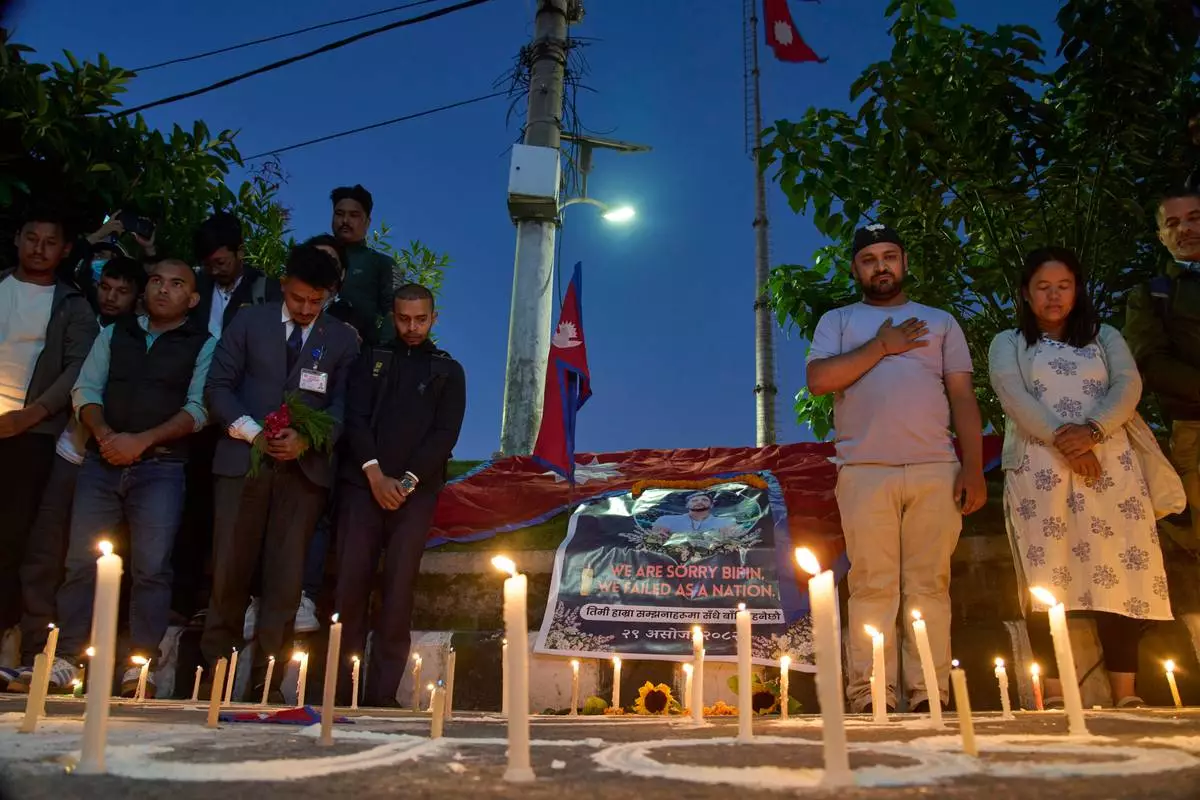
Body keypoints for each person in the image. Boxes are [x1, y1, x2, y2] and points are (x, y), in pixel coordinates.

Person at [806, 222, 985, 715]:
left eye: (890, 255)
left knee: (930, 584)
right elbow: (820, 380)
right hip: (864, 469)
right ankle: (871, 695)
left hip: (935, 468)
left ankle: (929, 690)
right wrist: (881, 347)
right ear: (855, 268)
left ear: (904, 263)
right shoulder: (838, 321)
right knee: (871, 584)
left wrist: (974, 468)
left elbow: (963, 396)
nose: (881, 265)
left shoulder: (940, 321)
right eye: (869, 258)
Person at [990, 247, 1171, 707]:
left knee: (1119, 570)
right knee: (1046, 576)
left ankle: (1126, 692)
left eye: (1063, 286)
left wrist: (1091, 433)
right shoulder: (1008, 343)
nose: (1053, 296)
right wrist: (1063, 440)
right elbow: (1012, 395)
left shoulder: (1104, 336)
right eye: (1043, 287)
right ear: (1026, 295)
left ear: (1077, 290)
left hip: (1109, 462)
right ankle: (1053, 693)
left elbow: (1127, 386)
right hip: (1040, 469)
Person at [47, 259, 213, 697]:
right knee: (80, 561)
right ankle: (66, 658)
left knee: (152, 569)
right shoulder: (117, 332)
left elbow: (199, 409)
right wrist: (105, 436)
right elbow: (85, 389)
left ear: (192, 300)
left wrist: (141, 441)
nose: (163, 290)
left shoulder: (202, 344)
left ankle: (139, 665)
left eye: (176, 285)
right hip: (101, 462)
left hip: (161, 466)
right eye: (157, 281)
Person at [202, 244, 359, 702]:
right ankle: (215, 683)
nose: (307, 309)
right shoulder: (249, 322)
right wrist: (254, 434)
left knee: (285, 582)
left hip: (302, 476)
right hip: (241, 467)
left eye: (317, 301)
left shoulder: (343, 339)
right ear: (283, 287)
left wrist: (307, 440)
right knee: (228, 573)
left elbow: (342, 408)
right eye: (298, 299)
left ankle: (265, 689)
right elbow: (218, 387)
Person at [6, 257, 143, 691]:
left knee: (107, 559)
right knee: (48, 552)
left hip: (119, 459)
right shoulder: (82, 317)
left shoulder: (136, 337)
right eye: (106, 287)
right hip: (69, 449)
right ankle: (37, 650)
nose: (111, 297)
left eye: (123, 291)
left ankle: (90, 656)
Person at [336, 283, 464, 706]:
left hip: (415, 496)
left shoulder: (447, 370)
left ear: (434, 318)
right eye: (404, 318)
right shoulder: (371, 359)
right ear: (393, 316)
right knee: (349, 587)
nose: (412, 327)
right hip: (362, 488)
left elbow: (444, 435)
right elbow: (353, 419)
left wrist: (406, 483)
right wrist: (375, 476)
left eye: (421, 319)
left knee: (398, 590)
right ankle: (339, 690)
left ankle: (381, 694)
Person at [0, 207, 99, 666]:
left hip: (31, 432)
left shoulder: (73, 305)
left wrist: (32, 414)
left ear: (63, 250)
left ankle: (8, 633)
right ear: (18, 238)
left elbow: (75, 369)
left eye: (49, 241)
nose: (38, 248)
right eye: (31, 237)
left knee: (14, 536)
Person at [175, 212, 282, 622]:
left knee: (239, 514)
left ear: (239, 253)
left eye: (221, 262)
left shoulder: (266, 291)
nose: (213, 270)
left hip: (245, 414)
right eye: (208, 264)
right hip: (193, 410)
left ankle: (230, 602)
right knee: (192, 506)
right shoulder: (193, 286)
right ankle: (186, 602)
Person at [1124, 189, 1200, 550]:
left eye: (1194, 218)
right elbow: (1149, 362)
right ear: (1161, 236)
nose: (1184, 229)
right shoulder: (1153, 294)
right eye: (1173, 223)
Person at [330, 185, 396, 345]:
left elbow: (395, 312)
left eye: (354, 215)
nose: (345, 221)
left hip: (360, 354)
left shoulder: (382, 263)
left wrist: (383, 354)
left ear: (367, 222)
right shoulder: (311, 254)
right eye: (339, 214)